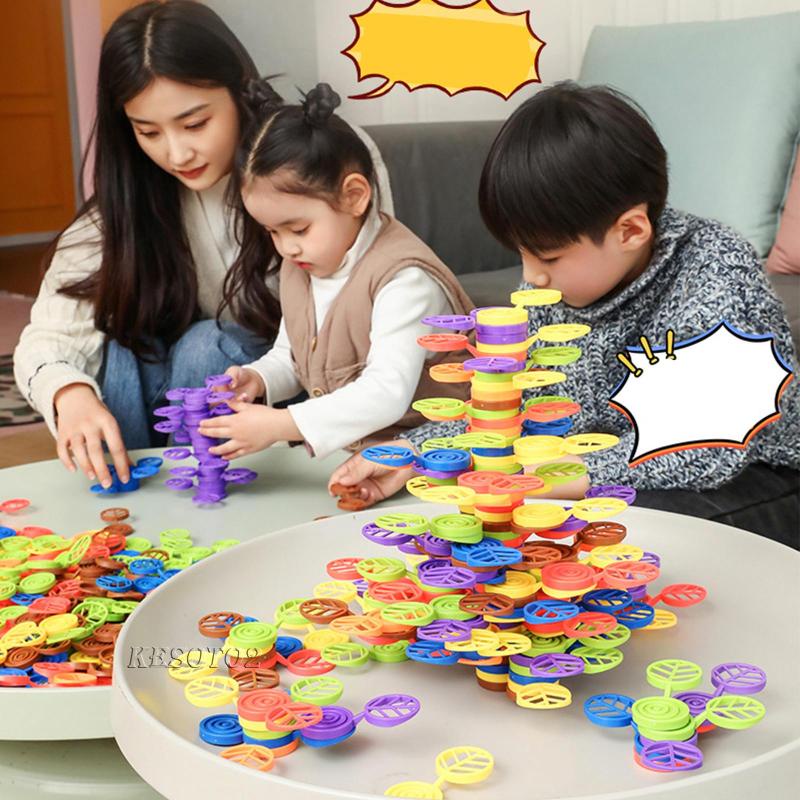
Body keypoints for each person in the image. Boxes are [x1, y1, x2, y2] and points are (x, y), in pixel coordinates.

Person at [329, 82, 800, 545]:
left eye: (548, 257)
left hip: (759, 478)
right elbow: (523, 414)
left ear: (630, 231)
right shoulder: (547, 292)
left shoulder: (716, 268)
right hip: (615, 466)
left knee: (614, 537)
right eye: (521, 253)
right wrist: (420, 453)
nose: (530, 276)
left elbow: (710, 452)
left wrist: (561, 475)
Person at [13, 0, 391, 490]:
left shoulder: (324, 158)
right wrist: (68, 394)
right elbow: (48, 338)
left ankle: (198, 498)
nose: (176, 153)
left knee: (205, 348)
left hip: (278, 401)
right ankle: (131, 495)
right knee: (120, 354)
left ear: (239, 91)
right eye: (148, 131)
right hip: (173, 403)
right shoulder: (128, 198)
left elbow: (364, 313)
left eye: (194, 124)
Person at [197, 84, 473, 460]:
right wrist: (258, 379)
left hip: (430, 459)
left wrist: (281, 424)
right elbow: (293, 356)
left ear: (354, 196)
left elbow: (387, 392)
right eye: (271, 232)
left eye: (298, 229)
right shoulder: (303, 265)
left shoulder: (406, 280)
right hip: (357, 455)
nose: (286, 247)